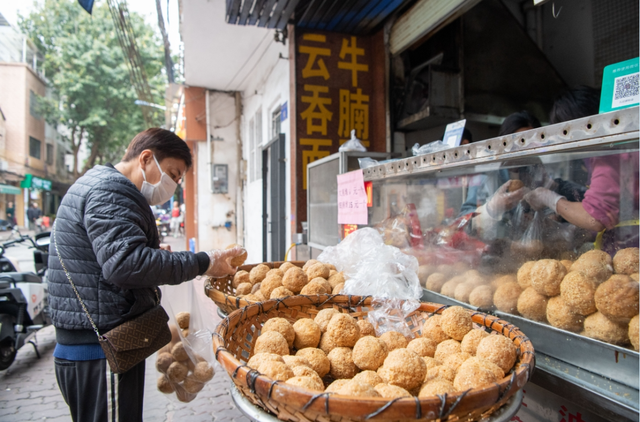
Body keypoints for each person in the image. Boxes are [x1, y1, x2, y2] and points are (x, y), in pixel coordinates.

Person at [48, 128, 244, 422]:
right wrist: (205, 262)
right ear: (146, 158)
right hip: (99, 351)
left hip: (102, 345)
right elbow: (125, 264)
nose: (173, 185)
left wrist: (153, 251)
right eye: (173, 174)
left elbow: (111, 256)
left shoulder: (101, 185)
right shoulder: (111, 191)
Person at [524, 86, 639, 236]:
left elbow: (595, 218)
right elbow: (606, 203)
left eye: (566, 133)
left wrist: (549, 198)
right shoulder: (597, 152)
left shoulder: (608, 154)